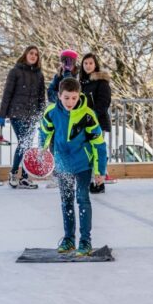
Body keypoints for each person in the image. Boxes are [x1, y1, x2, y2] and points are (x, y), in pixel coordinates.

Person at [41, 78, 108, 256]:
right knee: (66, 200)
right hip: (62, 162)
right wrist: (41, 150)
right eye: (66, 98)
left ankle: (85, 241)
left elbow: (99, 144)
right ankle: (69, 238)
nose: (70, 102)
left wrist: (100, 170)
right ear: (59, 96)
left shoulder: (88, 115)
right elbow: (45, 131)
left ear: (79, 95)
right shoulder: (51, 112)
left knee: (82, 199)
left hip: (83, 164)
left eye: (74, 98)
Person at [0, 45, 46, 189]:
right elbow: (7, 93)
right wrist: (2, 114)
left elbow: (41, 97)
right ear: (25, 55)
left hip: (32, 115)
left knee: (27, 145)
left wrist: (41, 113)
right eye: (31, 53)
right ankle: (13, 173)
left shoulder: (39, 74)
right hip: (17, 113)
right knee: (23, 143)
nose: (33, 56)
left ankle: (25, 177)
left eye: (36, 54)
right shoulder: (15, 71)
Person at [78, 53, 113, 193]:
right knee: (87, 152)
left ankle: (99, 182)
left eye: (90, 63)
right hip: (83, 123)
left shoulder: (102, 82)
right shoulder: (81, 83)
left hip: (97, 121)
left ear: (95, 65)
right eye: (85, 63)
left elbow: (103, 103)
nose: (88, 66)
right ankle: (90, 179)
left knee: (98, 151)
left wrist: (91, 118)